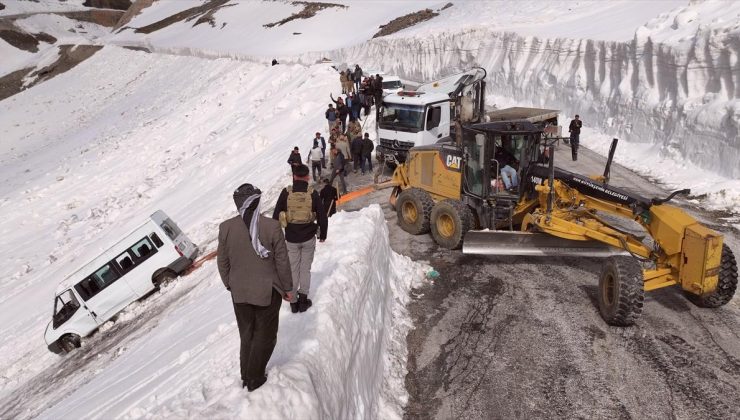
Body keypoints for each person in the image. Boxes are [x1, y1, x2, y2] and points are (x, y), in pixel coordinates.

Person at [217, 183, 293, 392]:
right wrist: (288, 288)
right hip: (267, 291)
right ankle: (255, 377)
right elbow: (282, 262)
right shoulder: (271, 226)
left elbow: (222, 262)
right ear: (257, 201)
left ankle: (246, 375)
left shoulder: (226, 228)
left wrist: (230, 284)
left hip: (239, 292)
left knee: (247, 334)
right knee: (265, 336)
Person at [272, 165, 328, 314]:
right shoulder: (312, 193)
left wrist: (277, 236)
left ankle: (293, 302)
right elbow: (322, 216)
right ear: (308, 177)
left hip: (291, 238)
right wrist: (323, 234)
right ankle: (303, 300)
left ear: (294, 176)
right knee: (305, 269)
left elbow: (276, 215)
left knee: (293, 269)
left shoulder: (286, 193)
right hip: (309, 237)